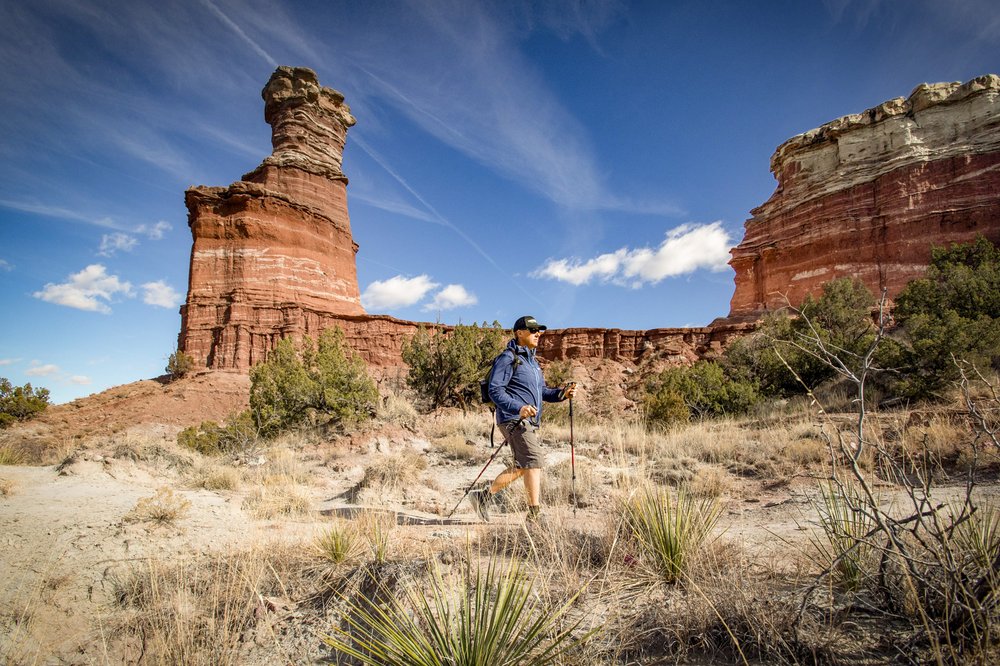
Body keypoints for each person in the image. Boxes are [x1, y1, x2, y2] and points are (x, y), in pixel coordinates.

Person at [469, 315, 576, 522]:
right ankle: (534, 515)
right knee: (534, 461)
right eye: (533, 330)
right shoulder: (508, 358)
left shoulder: (532, 363)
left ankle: (482, 497)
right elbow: (495, 390)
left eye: (539, 331)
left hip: (527, 420)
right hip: (513, 418)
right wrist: (519, 408)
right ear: (520, 333)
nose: (538, 334)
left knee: (522, 466)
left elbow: (542, 391)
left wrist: (562, 394)